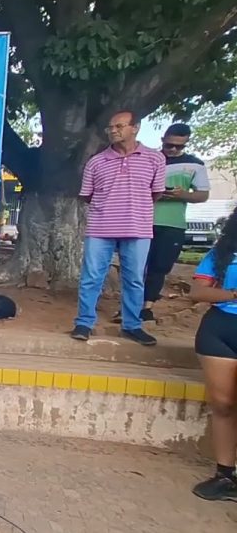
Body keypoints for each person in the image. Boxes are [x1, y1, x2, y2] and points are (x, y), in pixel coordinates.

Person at [71, 110, 166, 345]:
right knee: (91, 277)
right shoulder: (96, 161)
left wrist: (132, 207)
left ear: (135, 128)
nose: (113, 131)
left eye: (119, 126)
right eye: (110, 127)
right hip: (100, 228)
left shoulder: (155, 159)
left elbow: (156, 193)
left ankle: (132, 326)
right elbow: (87, 195)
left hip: (138, 228)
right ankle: (84, 323)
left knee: (134, 279)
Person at [189, 208, 237, 501]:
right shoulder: (221, 254)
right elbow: (198, 292)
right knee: (223, 405)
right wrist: (233, 294)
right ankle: (224, 475)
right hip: (218, 331)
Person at [138, 123, 208, 321]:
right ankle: (129, 306)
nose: (174, 150)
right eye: (170, 145)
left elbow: (203, 195)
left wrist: (181, 194)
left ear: (186, 143)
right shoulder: (147, 159)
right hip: (141, 220)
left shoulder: (196, 164)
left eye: (180, 146)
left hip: (173, 224)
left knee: (159, 267)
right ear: (162, 140)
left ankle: (146, 307)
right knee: (136, 266)